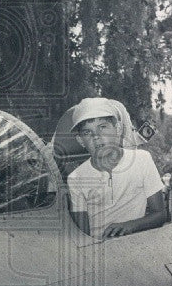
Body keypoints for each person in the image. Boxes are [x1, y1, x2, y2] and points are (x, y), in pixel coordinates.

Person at [66, 97, 166, 239]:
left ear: (118, 129)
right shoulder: (76, 178)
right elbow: (82, 234)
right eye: (87, 132)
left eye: (103, 127)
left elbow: (160, 214)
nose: (96, 137)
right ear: (80, 140)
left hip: (136, 241)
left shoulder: (142, 160)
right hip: (98, 248)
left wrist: (129, 226)